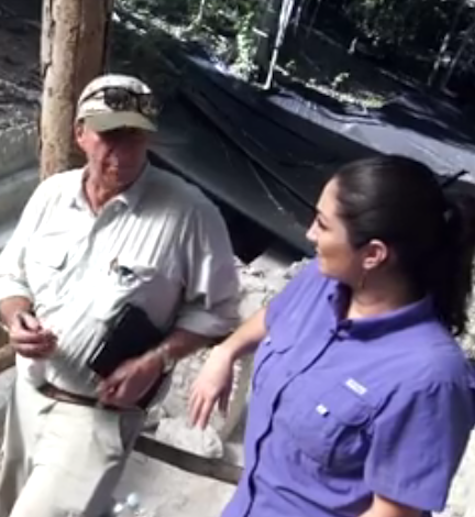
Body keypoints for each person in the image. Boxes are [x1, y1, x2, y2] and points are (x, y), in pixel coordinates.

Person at [0, 73, 242, 517]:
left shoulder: (190, 215)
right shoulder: (52, 196)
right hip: (28, 397)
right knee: (10, 504)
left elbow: (218, 313)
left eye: (136, 137)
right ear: (81, 134)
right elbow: (11, 276)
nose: (123, 152)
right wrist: (16, 319)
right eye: (110, 135)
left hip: (96, 418)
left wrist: (156, 360)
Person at [188, 154, 475, 517]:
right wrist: (226, 352)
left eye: (323, 225)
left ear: (373, 254)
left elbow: (394, 513)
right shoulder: (320, 282)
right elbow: (276, 317)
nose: (309, 234)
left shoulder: (429, 379)